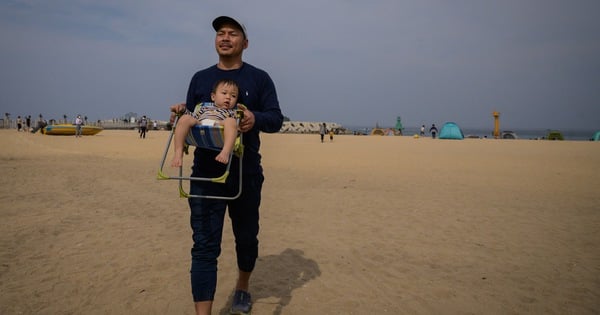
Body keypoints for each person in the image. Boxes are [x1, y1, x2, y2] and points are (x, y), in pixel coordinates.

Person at [169, 16, 283, 315]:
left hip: (246, 173)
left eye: (233, 33)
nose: (225, 37)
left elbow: (276, 119)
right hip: (205, 175)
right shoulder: (199, 78)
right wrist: (180, 116)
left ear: (245, 43)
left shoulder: (260, 79)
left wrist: (254, 118)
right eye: (220, 33)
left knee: (246, 237)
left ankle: (243, 287)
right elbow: (196, 120)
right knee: (204, 245)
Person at [171, 79, 239, 167]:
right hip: (200, 123)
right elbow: (192, 115)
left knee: (231, 122)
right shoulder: (203, 108)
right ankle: (178, 151)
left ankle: (225, 152)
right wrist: (182, 110)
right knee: (185, 118)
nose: (228, 97)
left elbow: (236, 126)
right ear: (213, 97)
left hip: (219, 125)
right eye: (224, 93)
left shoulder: (231, 112)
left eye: (233, 96)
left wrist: (241, 117)